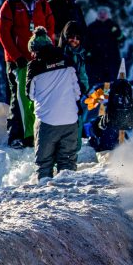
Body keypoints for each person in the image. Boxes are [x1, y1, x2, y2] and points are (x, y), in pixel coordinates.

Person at [0, 0, 55, 148]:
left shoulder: (42, 3)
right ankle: (19, 135)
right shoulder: (10, 5)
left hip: (39, 59)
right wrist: (16, 56)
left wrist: (48, 50)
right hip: (18, 61)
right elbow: (3, 33)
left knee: (39, 97)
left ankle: (39, 133)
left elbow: (50, 27)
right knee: (20, 97)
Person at [25, 27, 81, 180]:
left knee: (44, 164)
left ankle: (45, 189)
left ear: (35, 50)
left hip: (47, 123)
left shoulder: (34, 66)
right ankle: (69, 190)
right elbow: (77, 92)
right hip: (70, 120)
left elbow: (30, 95)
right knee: (68, 163)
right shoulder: (67, 61)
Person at [85, 6, 125, 86]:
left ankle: (110, 93)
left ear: (108, 14)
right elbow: (86, 43)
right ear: (97, 15)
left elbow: (121, 40)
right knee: (98, 84)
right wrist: (88, 54)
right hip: (96, 61)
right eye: (100, 13)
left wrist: (117, 32)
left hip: (112, 61)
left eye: (104, 13)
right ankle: (100, 93)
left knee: (112, 83)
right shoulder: (92, 27)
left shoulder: (113, 26)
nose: (102, 15)